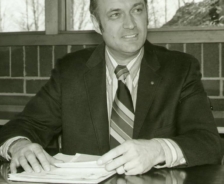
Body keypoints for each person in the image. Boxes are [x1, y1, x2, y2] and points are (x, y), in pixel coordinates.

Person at [0, 0, 223, 176]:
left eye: (137, 9)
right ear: (97, 24)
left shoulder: (180, 69)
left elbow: (208, 143)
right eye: (115, 14)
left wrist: (157, 149)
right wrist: (19, 145)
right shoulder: (71, 71)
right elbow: (25, 125)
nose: (130, 24)